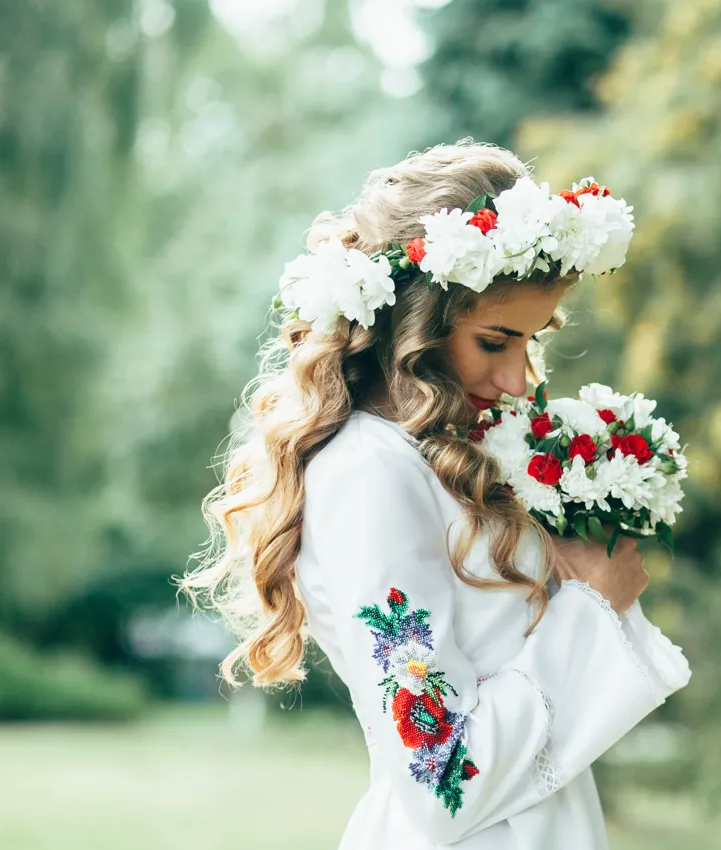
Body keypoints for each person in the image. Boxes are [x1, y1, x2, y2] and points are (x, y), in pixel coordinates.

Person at [180, 140, 691, 849]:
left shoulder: (448, 455)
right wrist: (593, 607)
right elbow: (440, 777)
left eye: (531, 341)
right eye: (495, 341)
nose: (518, 379)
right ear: (418, 320)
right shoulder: (368, 475)